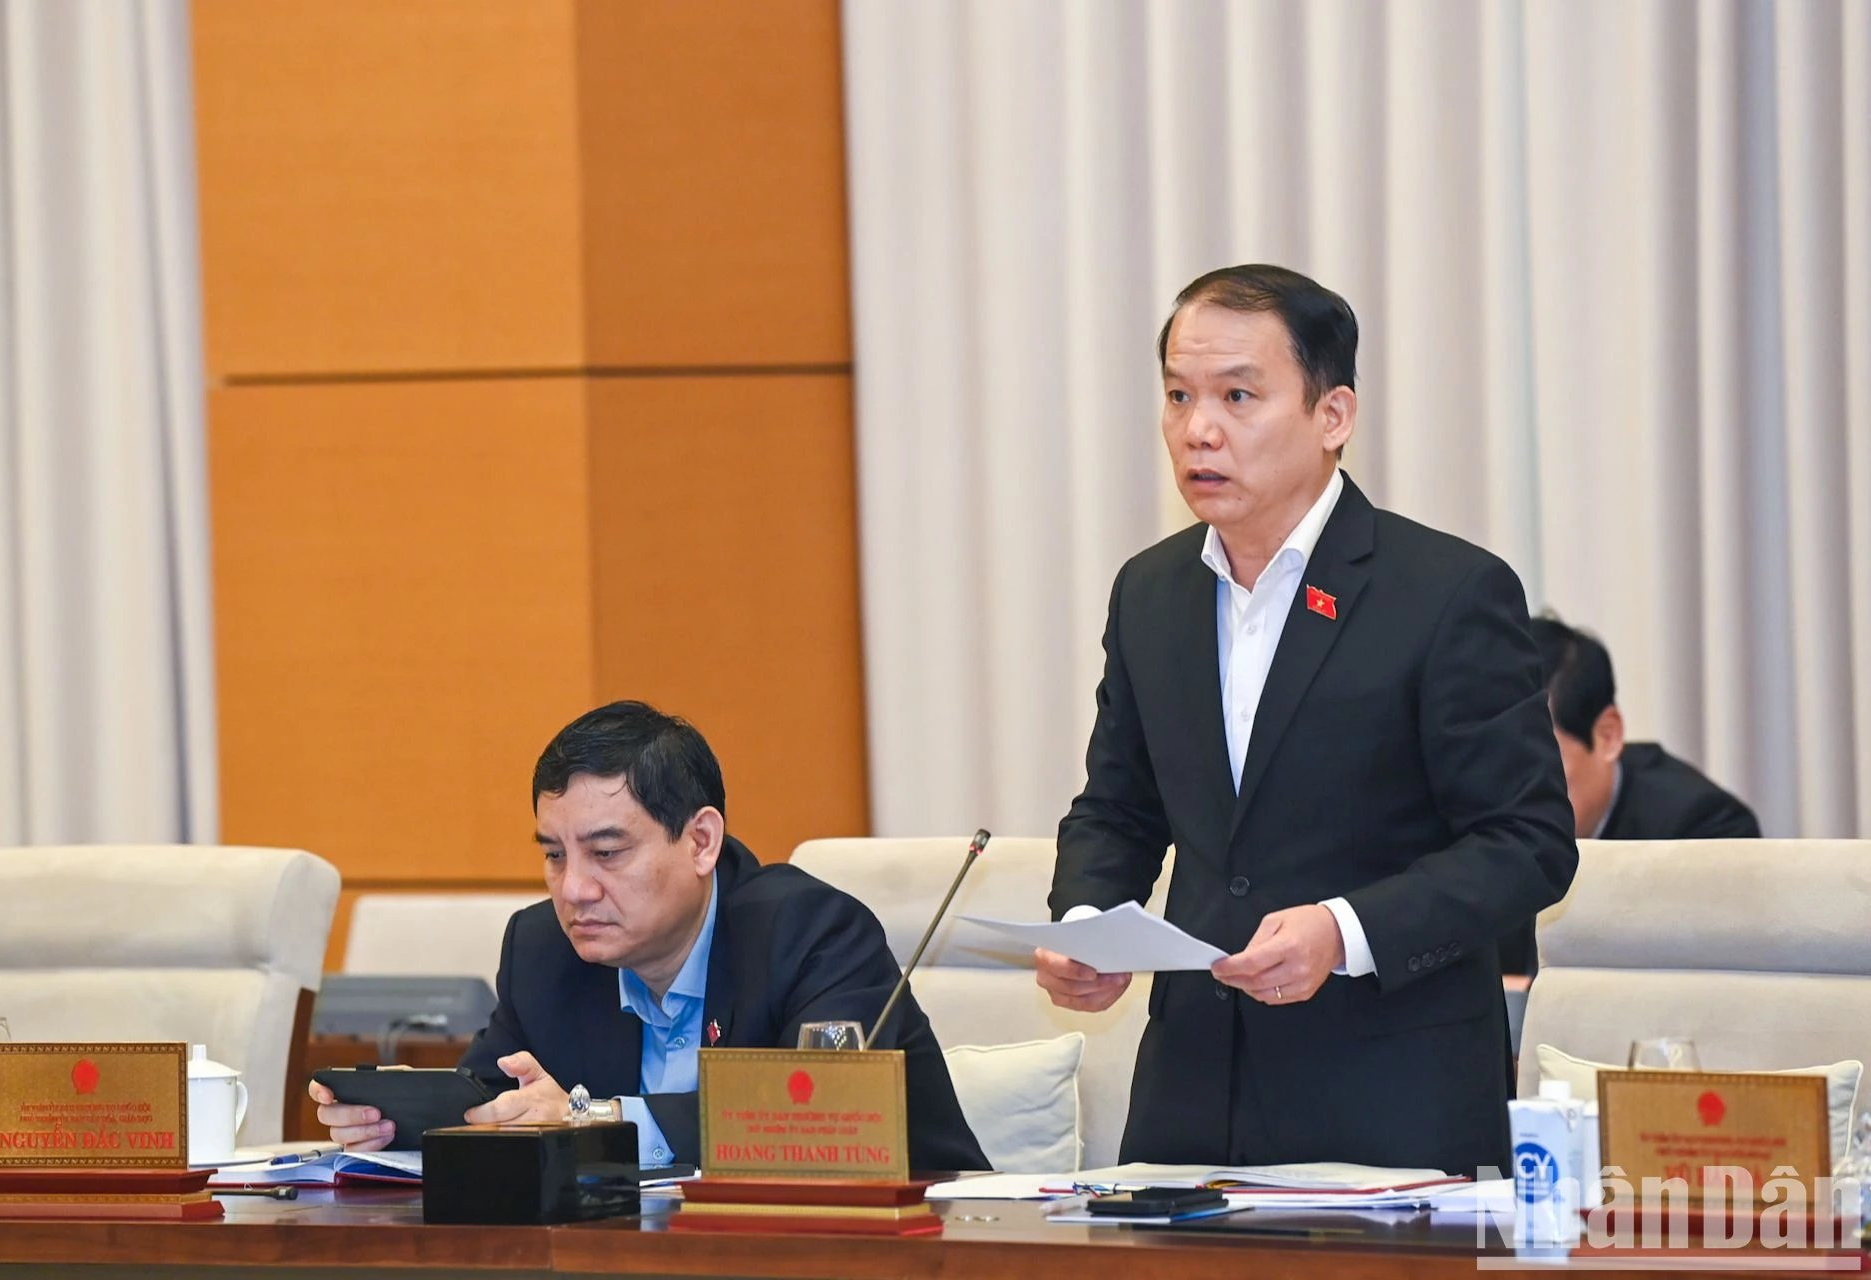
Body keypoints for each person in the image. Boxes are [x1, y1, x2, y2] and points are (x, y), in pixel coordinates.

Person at [1034, 264, 1579, 1177]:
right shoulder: (1151, 593)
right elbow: (1119, 808)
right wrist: (1090, 921)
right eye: (1179, 395)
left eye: (1237, 395)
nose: (1198, 428)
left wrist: (1343, 930)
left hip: (1390, 1104)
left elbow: (1527, 843)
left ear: (1333, 417)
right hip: (1191, 1102)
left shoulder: (1445, 593)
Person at [312, 700, 987, 1172]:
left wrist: (594, 1120)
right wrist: (403, 1122)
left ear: (700, 841)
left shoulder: (810, 933)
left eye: (607, 853)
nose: (573, 888)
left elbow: (813, 1121)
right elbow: (495, 1098)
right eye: (553, 854)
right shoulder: (544, 950)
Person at [1497, 615, 1761, 972]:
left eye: (1535, 763)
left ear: (1607, 735)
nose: (1509, 789)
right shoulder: (1478, 825)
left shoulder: (1705, 831)